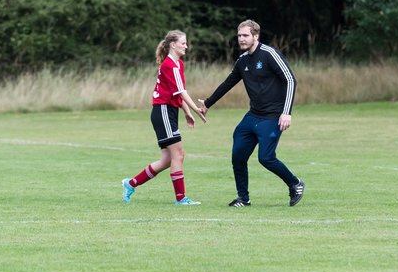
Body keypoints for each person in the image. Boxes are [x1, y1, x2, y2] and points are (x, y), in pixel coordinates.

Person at [197, 20, 305, 207]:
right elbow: (228, 83)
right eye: (239, 35)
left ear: (256, 36)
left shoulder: (269, 54)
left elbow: (290, 80)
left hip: (272, 116)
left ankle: (295, 184)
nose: (241, 39)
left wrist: (286, 112)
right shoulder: (243, 61)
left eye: (245, 35)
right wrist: (207, 103)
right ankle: (243, 198)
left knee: (266, 158)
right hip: (253, 115)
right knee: (238, 155)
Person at [122, 30, 206, 206]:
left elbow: (177, 92)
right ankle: (181, 198)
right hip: (163, 112)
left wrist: (187, 113)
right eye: (183, 43)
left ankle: (131, 183)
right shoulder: (170, 65)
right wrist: (197, 110)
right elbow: (182, 92)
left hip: (169, 112)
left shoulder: (178, 65)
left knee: (168, 160)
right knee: (179, 154)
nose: (186, 46)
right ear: (173, 45)